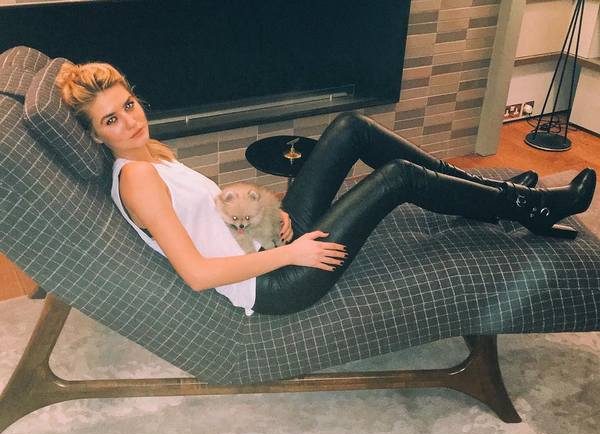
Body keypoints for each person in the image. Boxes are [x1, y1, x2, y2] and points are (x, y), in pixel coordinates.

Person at [56, 62, 597, 316]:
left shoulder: (149, 156)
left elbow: (210, 221)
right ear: (96, 135)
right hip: (275, 284)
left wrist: (269, 221)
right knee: (398, 177)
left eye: (129, 105)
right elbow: (196, 274)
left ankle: (480, 191)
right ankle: (525, 206)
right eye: (110, 120)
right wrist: (289, 254)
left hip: (268, 244)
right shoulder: (139, 179)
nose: (130, 121)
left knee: (350, 127)